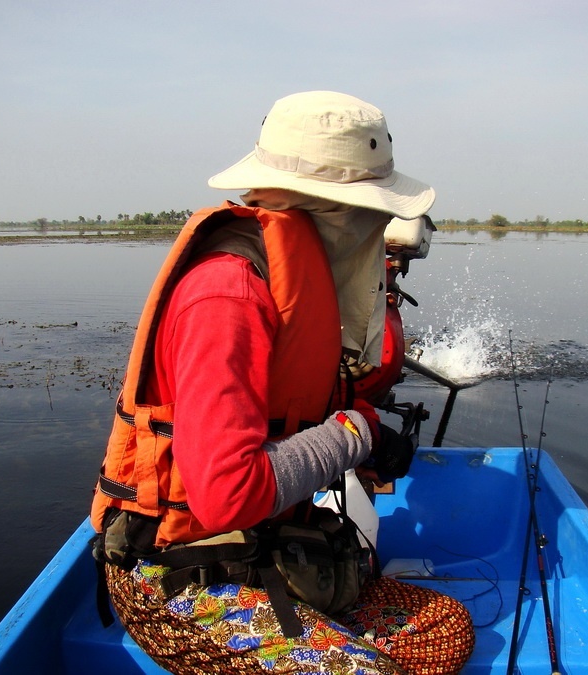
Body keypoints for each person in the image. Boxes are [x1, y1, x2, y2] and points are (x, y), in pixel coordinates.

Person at [90, 91, 474, 674]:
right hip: (180, 577)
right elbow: (225, 496)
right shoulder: (228, 295)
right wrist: (358, 434)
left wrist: (356, 430)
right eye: (372, 214)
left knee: (445, 631)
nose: (379, 232)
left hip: (260, 550)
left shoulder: (279, 279)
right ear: (336, 211)